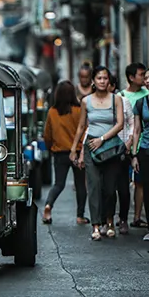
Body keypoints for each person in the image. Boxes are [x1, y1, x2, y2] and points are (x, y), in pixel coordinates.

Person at [70, 66, 124, 241]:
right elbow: (81, 126)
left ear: (109, 81)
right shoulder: (86, 101)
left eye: (105, 78)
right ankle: (95, 226)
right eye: (99, 78)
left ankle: (109, 222)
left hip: (110, 147)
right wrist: (74, 149)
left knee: (109, 189)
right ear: (93, 81)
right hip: (90, 146)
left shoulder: (116, 99)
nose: (102, 81)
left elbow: (120, 124)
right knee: (93, 188)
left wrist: (102, 138)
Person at [42, 80, 87, 225]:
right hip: (78, 151)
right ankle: (80, 216)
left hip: (59, 152)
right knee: (80, 184)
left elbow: (47, 135)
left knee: (58, 184)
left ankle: (48, 205)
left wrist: (51, 148)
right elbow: (85, 130)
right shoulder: (79, 110)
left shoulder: (52, 112)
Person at [120, 62, 149, 229]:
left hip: (140, 146)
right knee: (127, 184)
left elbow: (138, 127)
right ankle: (129, 217)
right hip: (126, 145)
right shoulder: (122, 96)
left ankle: (138, 217)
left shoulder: (146, 95)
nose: (145, 79)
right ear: (131, 78)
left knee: (141, 183)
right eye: (142, 75)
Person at [106, 71, 134, 235]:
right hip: (105, 151)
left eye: (107, 84)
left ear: (113, 86)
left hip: (122, 150)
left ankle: (123, 219)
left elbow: (132, 123)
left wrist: (130, 140)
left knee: (123, 189)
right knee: (108, 189)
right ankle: (108, 220)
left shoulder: (125, 102)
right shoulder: (97, 104)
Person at [131, 69, 149, 242]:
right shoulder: (140, 102)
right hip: (145, 149)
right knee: (146, 188)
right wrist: (134, 154)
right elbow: (137, 130)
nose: (148, 80)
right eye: (146, 78)